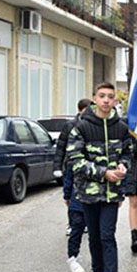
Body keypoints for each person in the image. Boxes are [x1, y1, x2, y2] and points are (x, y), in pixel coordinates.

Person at [67, 82, 133, 272]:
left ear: (115, 101)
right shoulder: (81, 127)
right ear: (94, 99)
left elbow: (128, 152)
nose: (106, 100)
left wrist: (124, 165)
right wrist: (103, 173)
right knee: (94, 236)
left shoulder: (121, 127)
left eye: (110, 97)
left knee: (107, 235)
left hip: (112, 195)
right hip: (88, 193)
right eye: (102, 96)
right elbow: (75, 160)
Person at [53, 98, 91, 236]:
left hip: (87, 166)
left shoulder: (91, 125)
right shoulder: (69, 126)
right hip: (71, 165)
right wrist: (57, 166)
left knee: (86, 195)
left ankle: (86, 222)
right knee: (71, 195)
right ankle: (72, 223)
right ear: (80, 110)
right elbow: (61, 147)